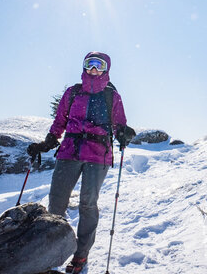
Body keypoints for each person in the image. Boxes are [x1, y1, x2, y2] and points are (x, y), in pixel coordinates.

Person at [27, 51, 132, 274]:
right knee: (56, 202)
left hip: (98, 155)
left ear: (106, 69)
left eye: (99, 65)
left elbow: (119, 124)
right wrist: (49, 140)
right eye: (89, 64)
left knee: (88, 204)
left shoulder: (112, 96)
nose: (94, 69)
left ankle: (81, 255)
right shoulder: (73, 92)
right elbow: (60, 121)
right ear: (84, 67)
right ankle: (52, 250)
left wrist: (123, 133)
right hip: (69, 152)